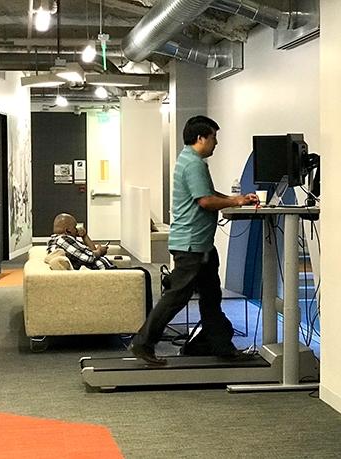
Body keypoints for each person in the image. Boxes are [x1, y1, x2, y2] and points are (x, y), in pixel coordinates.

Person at [129, 115, 258, 365]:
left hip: (201, 245)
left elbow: (207, 193)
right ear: (201, 138)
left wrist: (238, 198)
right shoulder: (194, 164)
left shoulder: (190, 160)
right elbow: (206, 201)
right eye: (213, 138)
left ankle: (222, 346)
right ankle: (143, 343)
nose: (216, 143)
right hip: (192, 246)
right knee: (176, 297)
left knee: (211, 298)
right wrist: (235, 201)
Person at [47, 213, 153, 315]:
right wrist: (100, 252)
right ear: (68, 230)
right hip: (101, 276)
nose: (77, 229)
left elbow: (91, 251)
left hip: (102, 273)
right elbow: (89, 258)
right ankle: (149, 320)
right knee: (144, 273)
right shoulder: (63, 240)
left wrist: (84, 236)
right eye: (75, 227)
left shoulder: (65, 239)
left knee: (141, 272)